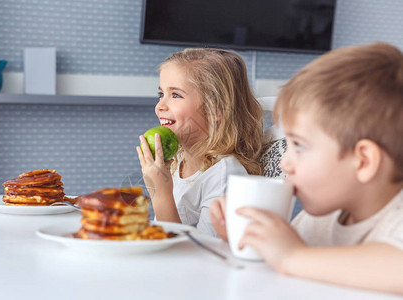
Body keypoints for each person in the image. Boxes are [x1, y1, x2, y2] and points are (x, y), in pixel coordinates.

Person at [209, 42, 403, 294]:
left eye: (298, 145)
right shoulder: (317, 218)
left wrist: (293, 256)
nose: (284, 162)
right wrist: (246, 237)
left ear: (363, 161)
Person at [137, 48, 264, 236]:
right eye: (161, 94)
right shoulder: (177, 160)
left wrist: (161, 194)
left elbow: (202, 254)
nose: (160, 106)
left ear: (216, 110)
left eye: (176, 95)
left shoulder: (224, 176)